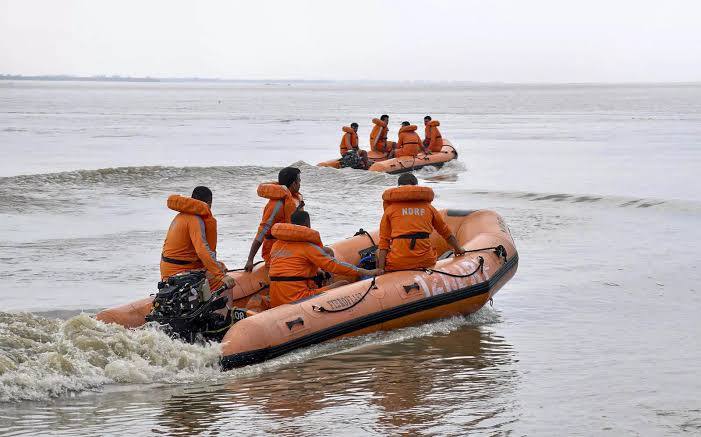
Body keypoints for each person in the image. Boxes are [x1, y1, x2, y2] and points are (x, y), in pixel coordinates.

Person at [268, 210, 380, 307]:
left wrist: (317, 270)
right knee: (343, 284)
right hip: (296, 298)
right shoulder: (307, 247)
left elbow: (292, 266)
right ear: (307, 225)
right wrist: (366, 271)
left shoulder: (276, 245)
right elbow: (334, 265)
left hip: (276, 299)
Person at [377, 173, 466, 272]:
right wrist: (458, 249)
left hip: (398, 263)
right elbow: (446, 232)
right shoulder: (429, 208)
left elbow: (384, 242)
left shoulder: (390, 210)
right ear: (416, 187)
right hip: (426, 261)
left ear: (398, 187)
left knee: (377, 252)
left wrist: (381, 269)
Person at [160, 186, 235, 290]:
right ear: (209, 204)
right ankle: (227, 306)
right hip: (179, 272)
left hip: (166, 270)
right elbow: (202, 250)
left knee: (220, 266)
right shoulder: (195, 220)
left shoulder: (180, 216)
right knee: (222, 281)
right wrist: (221, 276)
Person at [244, 167, 304, 272]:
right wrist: (250, 259)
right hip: (276, 251)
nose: (300, 184)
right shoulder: (277, 205)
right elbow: (262, 232)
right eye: (299, 181)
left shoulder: (295, 200)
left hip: (293, 247)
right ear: (293, 183)